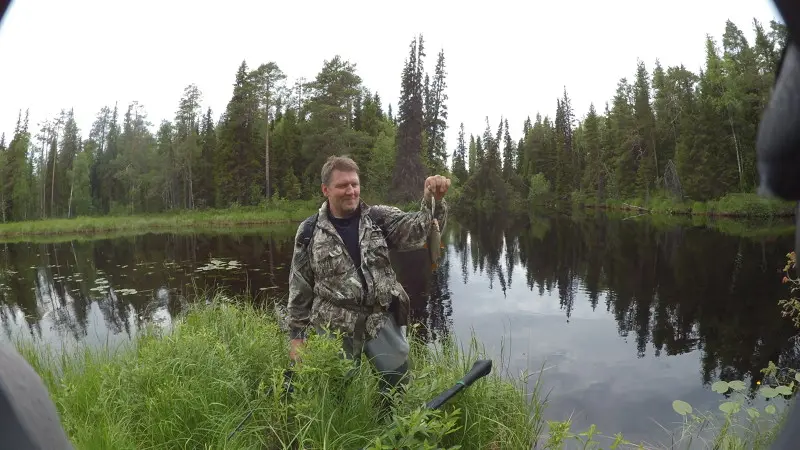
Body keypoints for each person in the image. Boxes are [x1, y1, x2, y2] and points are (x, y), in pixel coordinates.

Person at [286, 155, 450, 397]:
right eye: (343, 185)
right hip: (335, 326)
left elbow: (418, 231)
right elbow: (300, 287)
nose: (351, 191)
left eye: (355, 184)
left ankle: (396, 429)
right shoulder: (309, 231)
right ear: (326, 190)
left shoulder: (378, 218)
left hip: (380, 319)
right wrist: (297, 337)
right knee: (337, 395)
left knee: (399, 389)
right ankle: (348, 430)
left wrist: (432, 201)